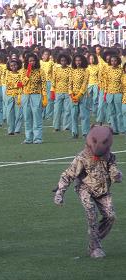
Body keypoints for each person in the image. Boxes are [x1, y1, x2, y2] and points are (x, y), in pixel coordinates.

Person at [53, 125, 122, 258]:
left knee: (111, 216)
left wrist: (117, 175)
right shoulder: (82, 157)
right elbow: (69, 174)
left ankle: (94, 241)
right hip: (85, 189)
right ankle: (95, 247)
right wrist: (59, 192)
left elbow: (114, 174)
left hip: (103, 191)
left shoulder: (110, 157)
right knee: (92, 213)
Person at [19, 53, 47, 144]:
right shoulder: (23, 71)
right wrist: (28, 73)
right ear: (27, 62)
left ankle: (37, 138)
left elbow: (43, 85)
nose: (32, 62)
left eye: (33, 61)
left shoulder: (40, 71)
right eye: (30, 61)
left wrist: (45, 97)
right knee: (27, 117)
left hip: (36, 95)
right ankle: (28, 138)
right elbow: (21, 84)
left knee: (37, 117)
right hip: (25, 95)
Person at [70, 54, 90, 138]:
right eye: (76, 60)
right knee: (74, 115)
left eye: (79, 60)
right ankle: (74, 133)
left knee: (84, 115)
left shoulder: (86, 71)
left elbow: (85, 84)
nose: (78, 62)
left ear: (83, 61)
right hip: (73, 96)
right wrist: (71, 94)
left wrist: (78, 95)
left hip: (83, 95)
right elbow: (70, 83)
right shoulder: (72, 70)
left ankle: (85, 133)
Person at [51, 53, 72, 132]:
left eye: (65, 61)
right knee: (57, 110)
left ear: (67, 61)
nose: (63, 62)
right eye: (62, 61)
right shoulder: (56, 69)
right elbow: (53, 81)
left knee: (67, 110)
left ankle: (66, 126)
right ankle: (56, 127)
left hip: (67, 92)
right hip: (58, 92)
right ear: (59, 61)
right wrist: (52, 91)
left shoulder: (70, 70)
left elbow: (71, 81)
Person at [3, 58, 23, 135]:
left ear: (18, 65)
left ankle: (17, 129)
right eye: (11, 65)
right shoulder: (8, 74)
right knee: (9, 113)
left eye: (15, 65)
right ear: (9, 66)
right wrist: (17, 85)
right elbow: (8, 84)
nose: (13, 67)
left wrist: (19, 85)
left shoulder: (21, 74)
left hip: (19, 95)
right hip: (9, 95)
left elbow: (23, 83)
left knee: (19, 113)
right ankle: (10, 130)